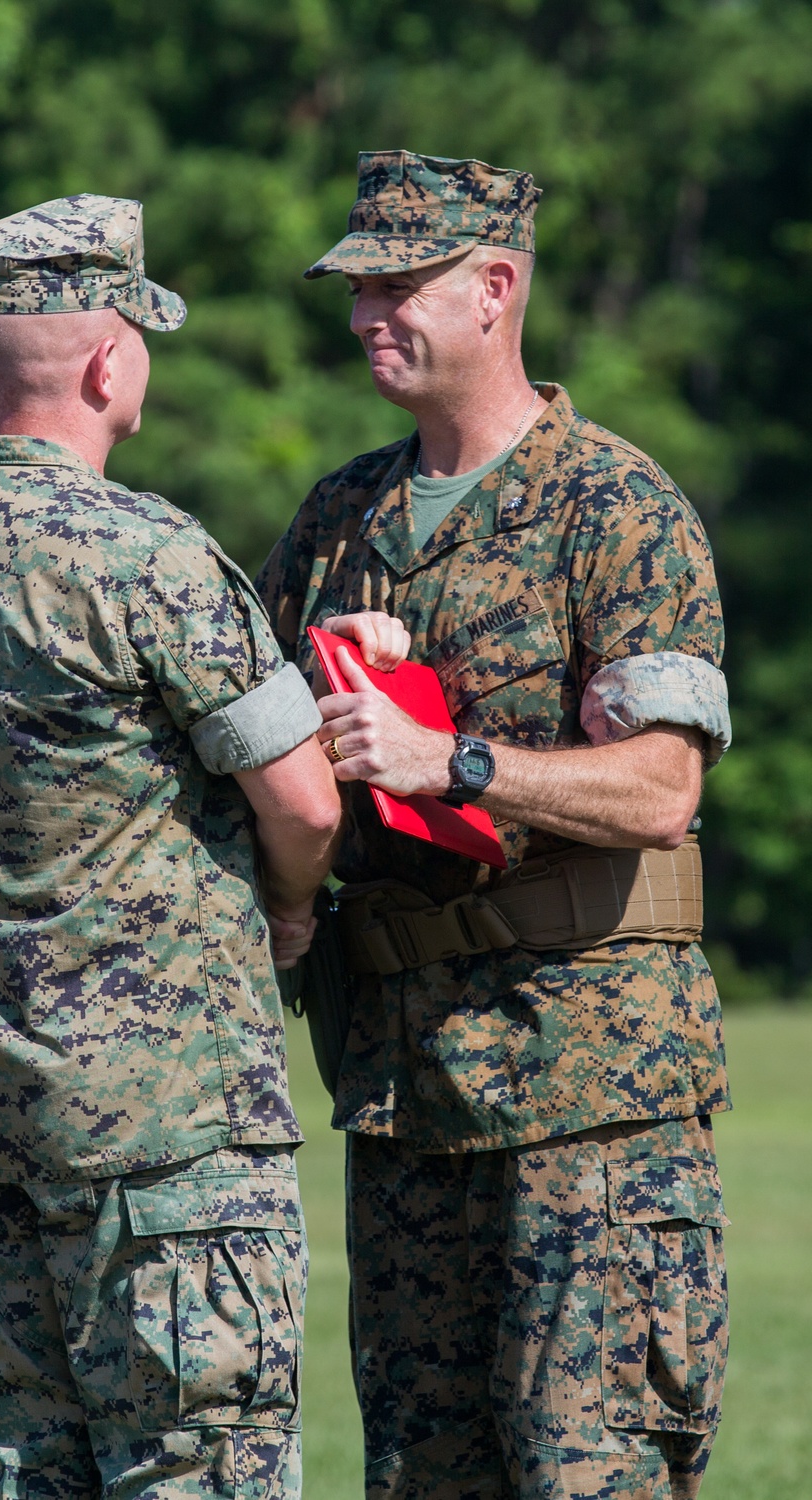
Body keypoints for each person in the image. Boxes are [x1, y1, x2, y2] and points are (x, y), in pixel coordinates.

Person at [257, 152, 732, 1500]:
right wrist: (327, 695)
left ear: (498, 289)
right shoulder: (340, 519)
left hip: (591, 1099)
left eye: (399, 285)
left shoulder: (619, 511)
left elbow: (659, 789)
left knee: (591, 1478)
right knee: (419, 1478)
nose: (366, 316)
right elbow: (274, 773)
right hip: (407, 1098)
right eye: (356, 291)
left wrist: (448, 756)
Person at [0, 193, 342, 1500]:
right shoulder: (147, 556)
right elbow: (305, 801)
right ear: (108, 358)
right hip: (166, 1145)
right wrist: (289, 917)